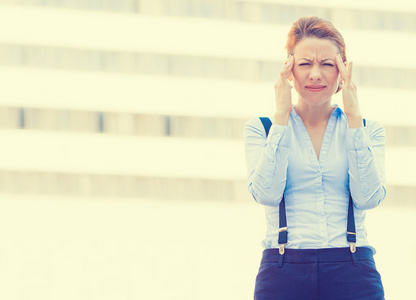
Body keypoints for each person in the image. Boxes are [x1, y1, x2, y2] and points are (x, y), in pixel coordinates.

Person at [244, 16, 386, 300]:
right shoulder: (263, 128)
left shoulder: (368, 130)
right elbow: (266, 194)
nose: (315, 74)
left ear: (342, 72)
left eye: (327, 64)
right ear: (289, 68)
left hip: (353, 270)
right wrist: (281, 118)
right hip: (283, 271)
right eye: (305, 63)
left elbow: (368, 198)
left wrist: (354, 117)